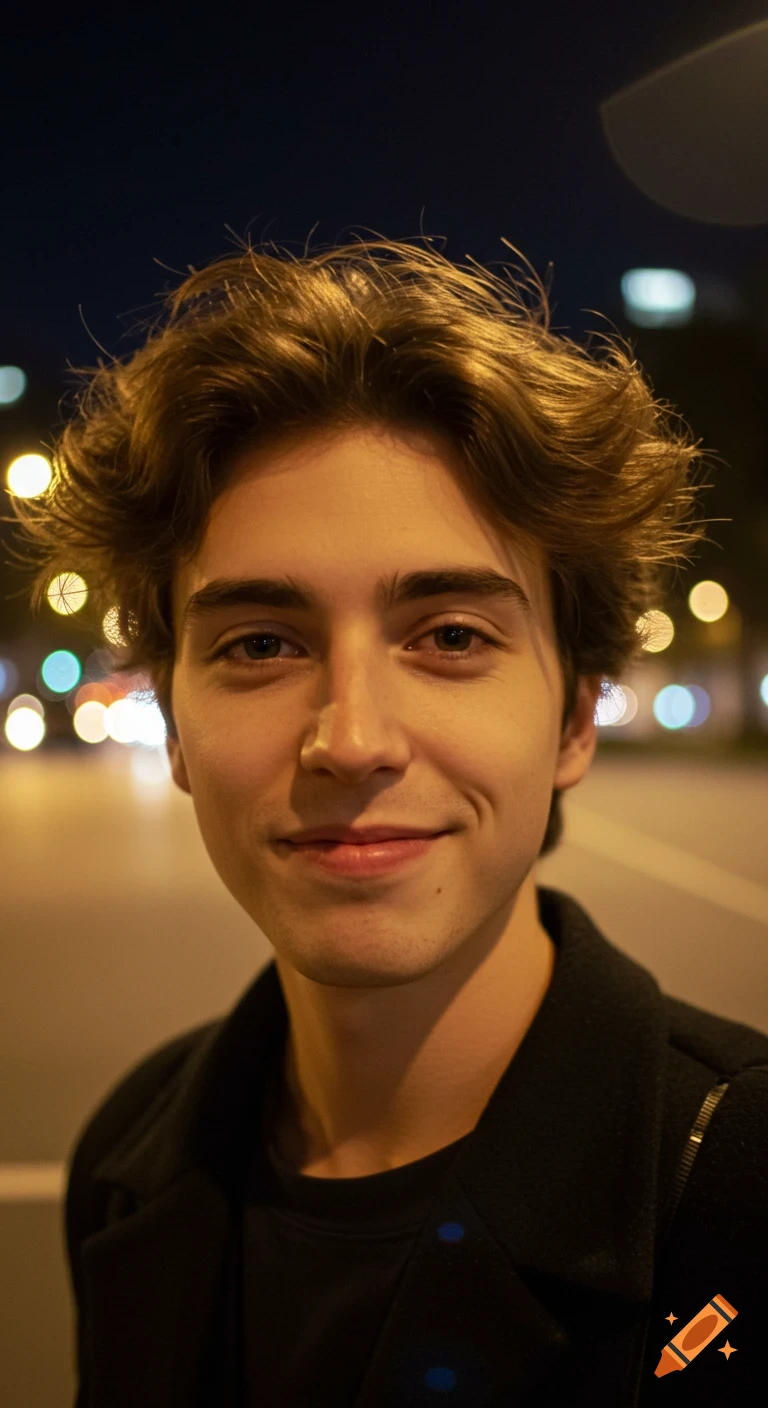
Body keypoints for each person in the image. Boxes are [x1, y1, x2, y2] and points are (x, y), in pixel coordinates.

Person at [10, 234, 768, 1405]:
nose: (352, 738)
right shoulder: (130, 1157)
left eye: (452, 636)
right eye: (260, 644)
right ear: (173, 724)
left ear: (572, 716)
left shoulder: (740, 1177)